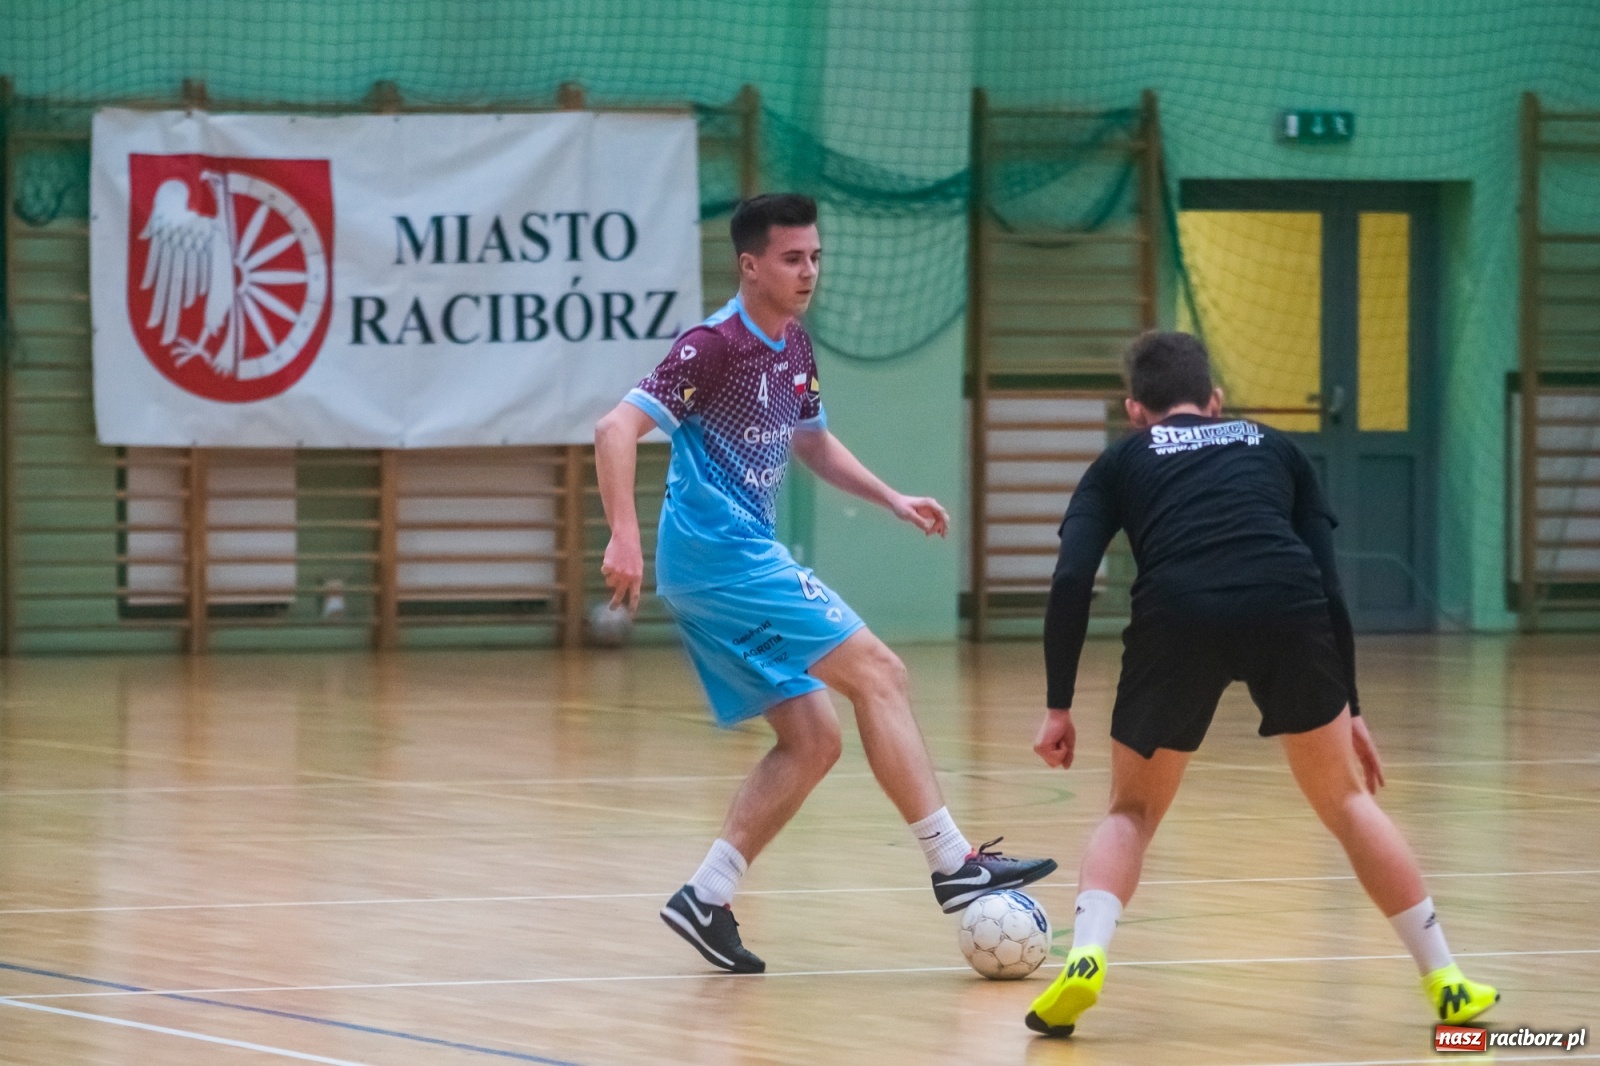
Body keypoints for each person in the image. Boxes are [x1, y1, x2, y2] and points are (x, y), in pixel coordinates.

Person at [594, 193, 1055, 975]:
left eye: (814, 257)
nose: (808, 271)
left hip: (721, 565)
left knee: (813, 739)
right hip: (724, 556)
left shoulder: (793, 347)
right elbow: (615, 429)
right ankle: (954, 866)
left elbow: (811, 442)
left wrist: (893, 499)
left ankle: (706, 896)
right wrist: (624, 533)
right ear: (750, 265)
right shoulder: (714, 346)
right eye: (791, 258)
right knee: (881, 671)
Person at [1025, 331, 1498, 1037]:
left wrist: (1058, 705)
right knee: (1345, 800)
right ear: (1215, 403)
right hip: (1289, 602)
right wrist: (1353, 706)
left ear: (1134, 410)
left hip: (1177, 614)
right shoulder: (1275, 446)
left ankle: (1087, 957)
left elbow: (1069, 581)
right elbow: (1330, 583)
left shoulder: (1121, 460)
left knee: (1131, 812)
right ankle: (1447, 980)